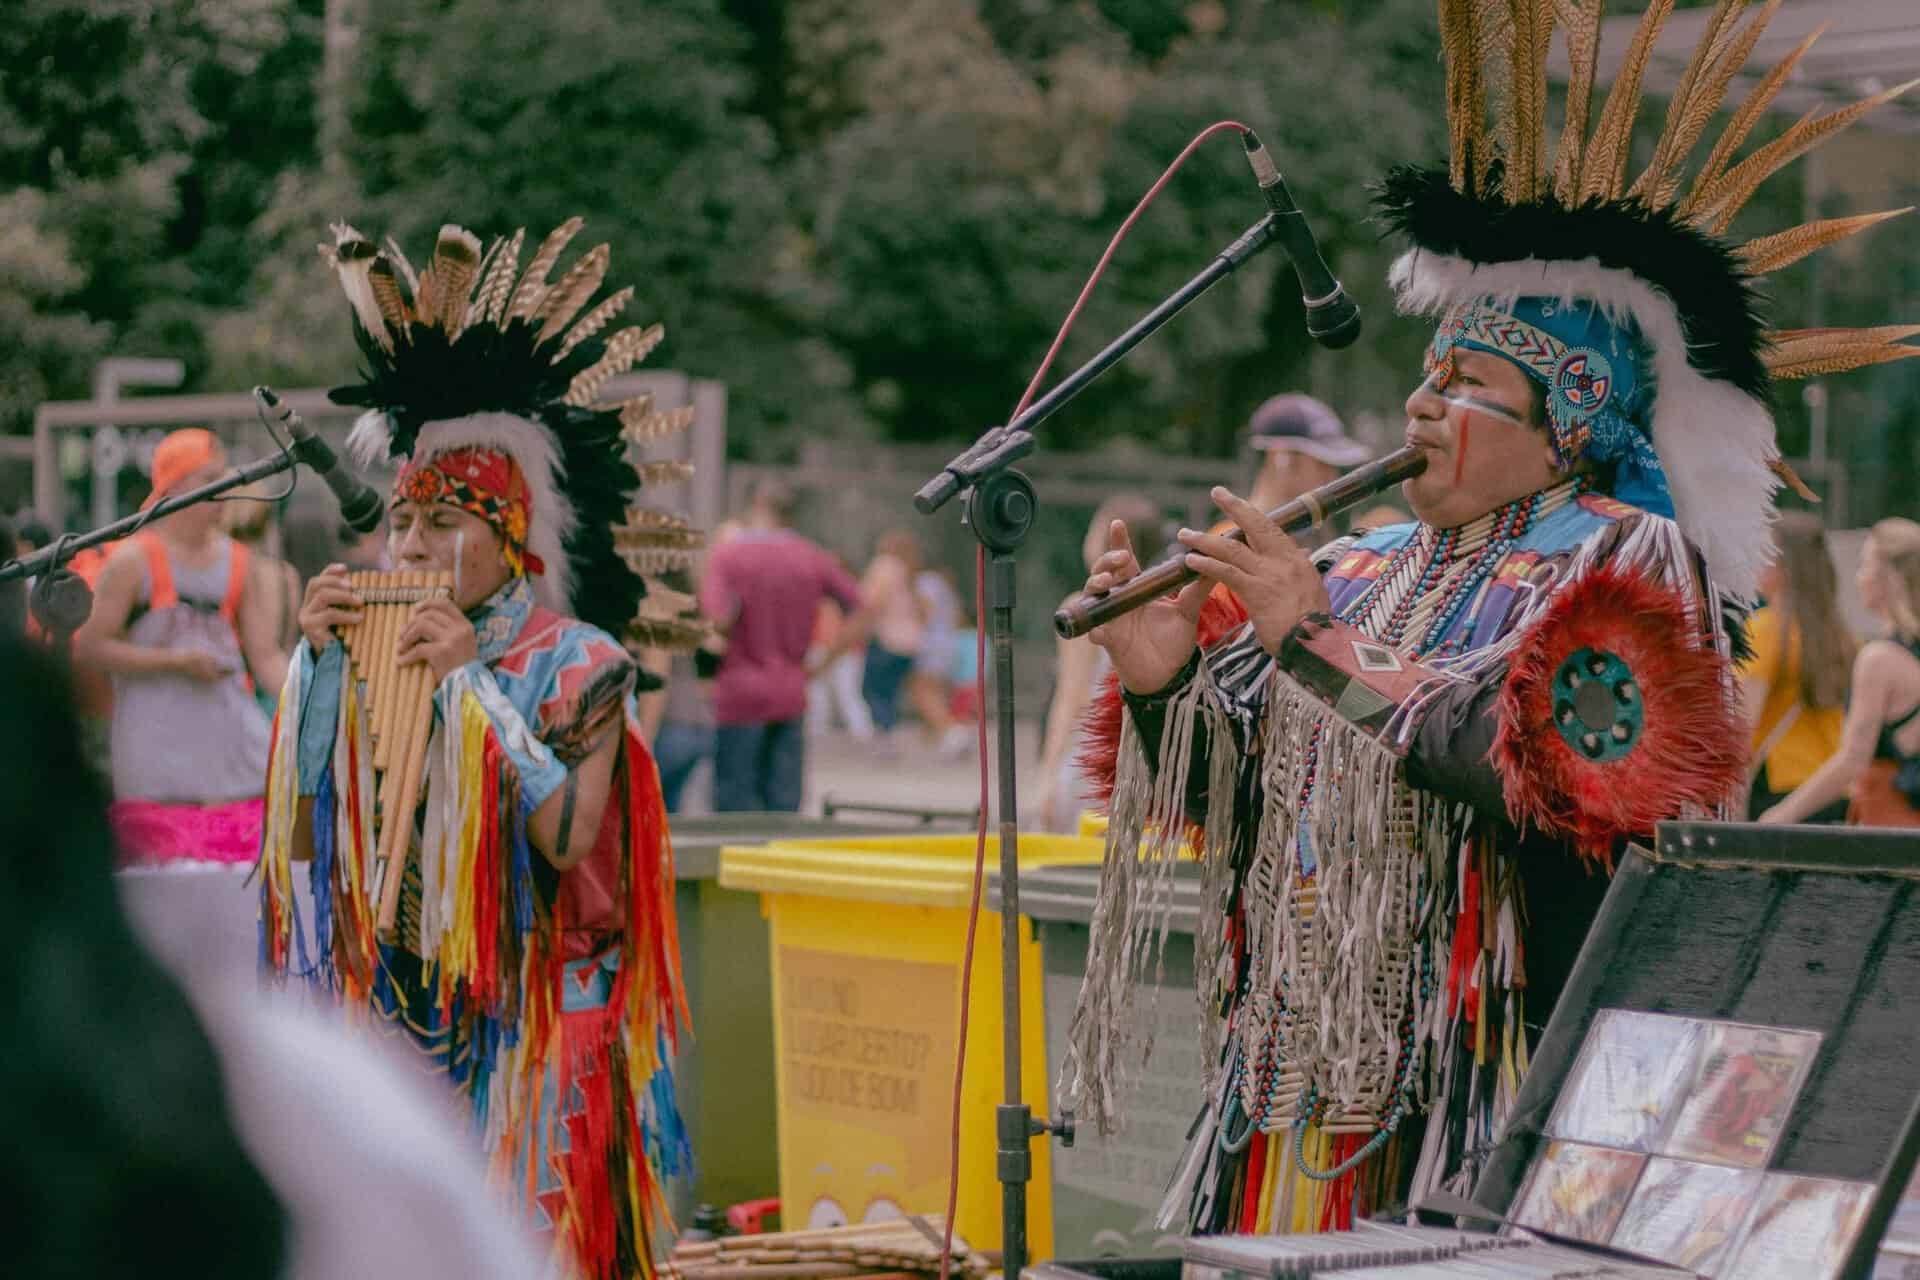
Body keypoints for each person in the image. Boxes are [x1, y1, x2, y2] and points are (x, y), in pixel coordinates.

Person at [1056, 1, 1909, 1234]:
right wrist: (1162, 680)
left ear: (1567, 424)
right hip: (1296, 1078)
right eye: (1428, 372)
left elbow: (1563, 773)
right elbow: (1234, 795)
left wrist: (1314, 642)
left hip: (1493, 1089)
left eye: (1467, 384)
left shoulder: (1629, 557)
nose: (1420, 403)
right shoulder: (1352, 559)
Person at [258, 216, 695, 1278]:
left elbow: (566, 836)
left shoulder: (582, 660)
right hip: (406, 992)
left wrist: (472, 688)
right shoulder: (371, 646)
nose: (410, 547)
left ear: (513, 543)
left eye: (443, 526)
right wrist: (316, 675)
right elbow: (310, 843)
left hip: (541, 1004)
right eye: (401, 526)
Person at [74, 428, 290, 865]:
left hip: (231, 754)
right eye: (208, 478)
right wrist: (174, 662)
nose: (223, 489)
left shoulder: (240, 561)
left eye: (223, 477)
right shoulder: (134, 559)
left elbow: (265, 655)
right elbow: (91, 646)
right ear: (173, 485)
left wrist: (307, 699)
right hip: (156, 755)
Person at [698, 479, 865, 812]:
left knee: (734, 808)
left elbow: (715, 617)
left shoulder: (729, 555)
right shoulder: (811, 556)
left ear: (755, 506)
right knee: (784, 808)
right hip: (791, 690)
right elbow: (862, 610)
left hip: (740, 693)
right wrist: (823, 663)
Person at [1760, 518, 1920, 828]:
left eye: (1865, 565)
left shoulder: (1879, 659)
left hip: (1891, 828)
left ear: (1887, 578)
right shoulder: (1902, 656)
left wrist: (1781, 815)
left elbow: (1852, 759)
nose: (1859, 578)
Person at [1032, 494, 1167, 833]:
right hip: (1138, 754)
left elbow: (1072, 697)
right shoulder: (1159, 607)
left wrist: (1047, 775)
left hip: (1089, 752)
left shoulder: (1081, 609)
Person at [1740, 513, 1852, 822]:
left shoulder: (1766, 630)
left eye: (1765, 551)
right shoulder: (1842, 637)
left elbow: (1743, 726)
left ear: (1785, 567)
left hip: (1778, 792)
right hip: (1833, 791)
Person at [1244, 393, 1372, 546]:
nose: (1332, 477)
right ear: (1281, 459)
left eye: (1333, 466)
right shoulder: (1238, 544)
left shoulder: (1311, 538)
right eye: (1321, 464)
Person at [226, 480, 306, 715]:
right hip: (277, 700)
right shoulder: (285, 575)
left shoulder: (227, 572)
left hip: (232, 701)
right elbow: (286, 649)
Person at [854, 528, 926, 733]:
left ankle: (883, 733)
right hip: (910, 642)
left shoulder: (885, 566)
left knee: (871, 690)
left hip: (886, 639)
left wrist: (859, 626)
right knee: (890, 692)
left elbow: (872, 601)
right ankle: (888, 730)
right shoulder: (909, 572)